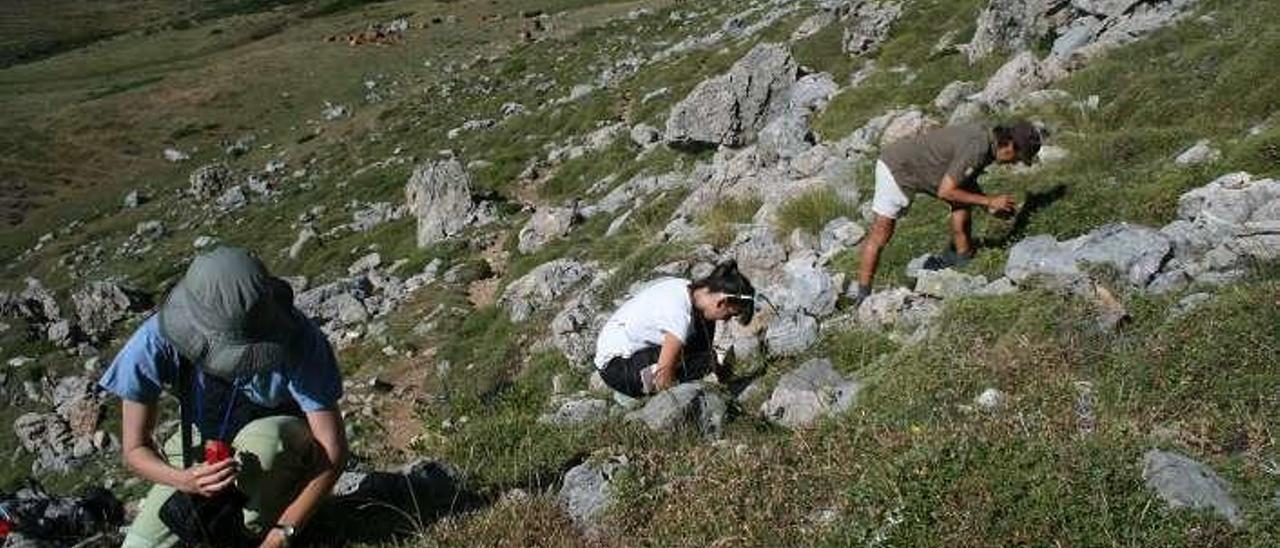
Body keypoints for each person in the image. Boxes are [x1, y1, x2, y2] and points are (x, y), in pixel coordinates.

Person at [98, 247, 348, 548]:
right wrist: (185, 480)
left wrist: (285, 532)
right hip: (197, 451)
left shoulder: (298, 338)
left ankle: (260, 524)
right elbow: (135, 449)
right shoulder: (153, 342)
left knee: (269, 441)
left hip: (285, 444)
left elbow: (332, 450)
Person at [854, 121, 1043, 303]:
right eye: (1018, 158)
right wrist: (989, 201)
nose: (1014, 163)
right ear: (1010, 145)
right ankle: (863, 296)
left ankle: (963, 261)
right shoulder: (978, 148)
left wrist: (988, 206)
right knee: (881, 234)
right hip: (897, 168)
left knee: (963, 200)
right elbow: (947, 191)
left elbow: (964, 182)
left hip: (923, 169)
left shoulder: (989, 138)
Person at [593, 261, 755, 399]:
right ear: (722, 302)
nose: (725, 320)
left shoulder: (686, 289)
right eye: (730, 314)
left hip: (626, 353)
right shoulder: (680, 314)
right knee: (700, 363)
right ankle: (637, 391)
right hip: (618, 367)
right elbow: (663, 378)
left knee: (705, 353)